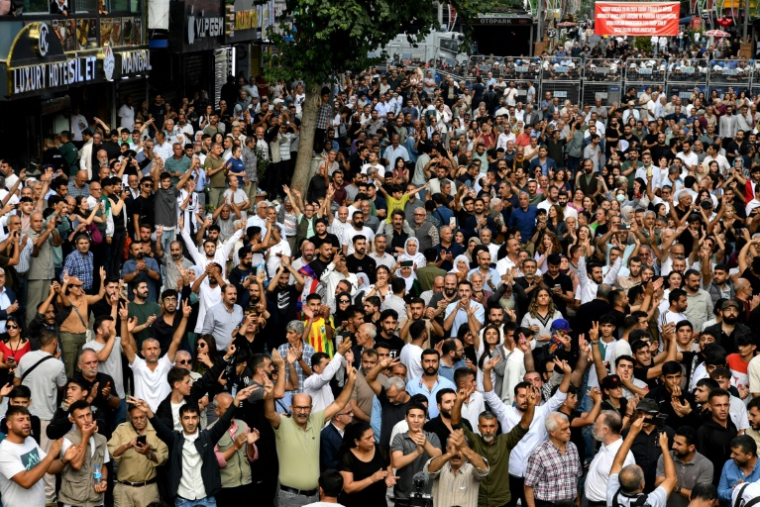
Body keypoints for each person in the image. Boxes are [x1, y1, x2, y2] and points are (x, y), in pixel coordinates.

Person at [128, 385, 257, 507]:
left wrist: (236, 401)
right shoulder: (175, 439)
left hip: (207, 499)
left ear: (198, 419)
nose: (190, 422)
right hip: (183, 501)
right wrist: (149, 412)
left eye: (194, 417)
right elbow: (160, 428)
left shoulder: (207, 436)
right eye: (186, 418)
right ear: (180, 420)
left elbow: (223, 422)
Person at [264, 362, 358, 506]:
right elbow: (270, 414)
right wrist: (269, 395)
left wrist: (351, 381)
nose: (302, 411)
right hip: (290, 497)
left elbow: (339, 404)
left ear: (311, 408)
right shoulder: (283, 423)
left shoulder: (316, 420)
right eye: (299, 407)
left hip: (314, 497)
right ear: (291, 407)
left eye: (306, 408)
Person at [451, 380, 538, 507]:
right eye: (484, 426)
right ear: (479, 427)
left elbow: (524, 425)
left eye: (492, 426)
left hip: (502, 502)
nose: (488, 430)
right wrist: (458, 401)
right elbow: (455, 423)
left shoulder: (505, 441)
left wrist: (531, 406)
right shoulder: (474, 440)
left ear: (497, 427)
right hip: (477, 500)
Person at [0, 406, 75, 507]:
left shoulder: (30, 441)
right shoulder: (5, 450)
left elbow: (49, 467)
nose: (26, 423)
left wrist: (64, 459)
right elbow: (26, 481)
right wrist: (51, 455)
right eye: (20, 420)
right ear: (9, 424)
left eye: (28, 419)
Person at [107, 402, 168, 507]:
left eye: (142, 417)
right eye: (135, 418)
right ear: (130, 416)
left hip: (147, 489)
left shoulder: (156, 430)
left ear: (146, 414)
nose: (139, 421)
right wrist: (128, 445)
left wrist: (148, 453)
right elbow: (110, 452)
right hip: (124, 489)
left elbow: (163, 459)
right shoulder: (121, 429)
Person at [608, 416, 678, 507]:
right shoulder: (652, 502)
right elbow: (671, 479)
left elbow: (617, 463)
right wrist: (664, 447)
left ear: (619, 482)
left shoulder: (612, 495)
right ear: (642, 485)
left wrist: (631, 434)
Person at [524, 411, 582, 507]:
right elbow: (528, 486)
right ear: (552, 432)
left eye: (569, 427)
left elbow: (575, 479)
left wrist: (578, 502)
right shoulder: (539, 454)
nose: (569, 431)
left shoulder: (573, 448)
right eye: (564, 429)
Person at [57, 401, 110, 507]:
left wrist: (103, 480)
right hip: (73, 501)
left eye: (88, 415)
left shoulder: (102, 439)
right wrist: (85, 437)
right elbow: (76, 465)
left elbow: (103, 465)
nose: (86, 420)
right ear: (73, 420)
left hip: (96, 500)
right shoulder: (67, 440)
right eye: (81, 417)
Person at [337, 422, 394, 507]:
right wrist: (371, 479)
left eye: (373, 436)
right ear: (357, 441)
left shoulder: (380, 450)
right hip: (355, 503)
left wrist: (389, 478)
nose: (373, 440)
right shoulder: (347, 457)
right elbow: (348, 488)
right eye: (368, 438)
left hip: (378, 502)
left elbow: (389, 471)